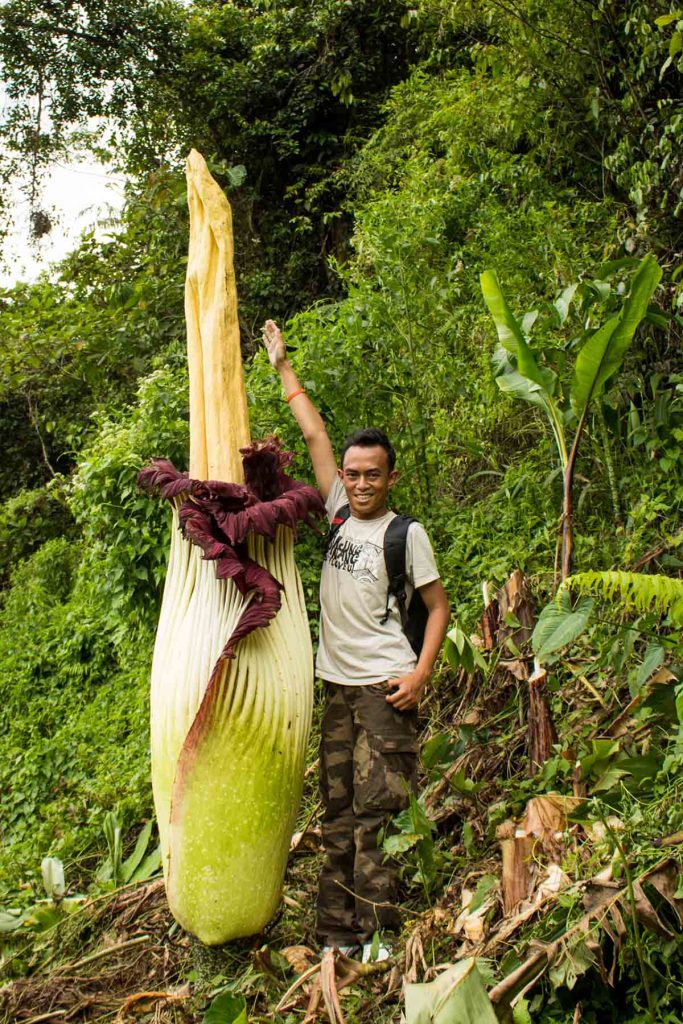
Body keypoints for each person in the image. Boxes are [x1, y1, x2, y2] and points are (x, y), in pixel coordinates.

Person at [263, 320, 450, 962]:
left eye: (373, 474)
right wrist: (284, 369)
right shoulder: (338, 511)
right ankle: (335, 935)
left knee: (381, 814)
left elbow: (437, 607)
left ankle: (378, 935)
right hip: (337, 690)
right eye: (354, 473)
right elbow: (313, 432)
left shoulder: (407, 535)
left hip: (383, 689)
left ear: (390, 477)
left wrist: (420, 676)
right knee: (337, 814)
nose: (363, 483)